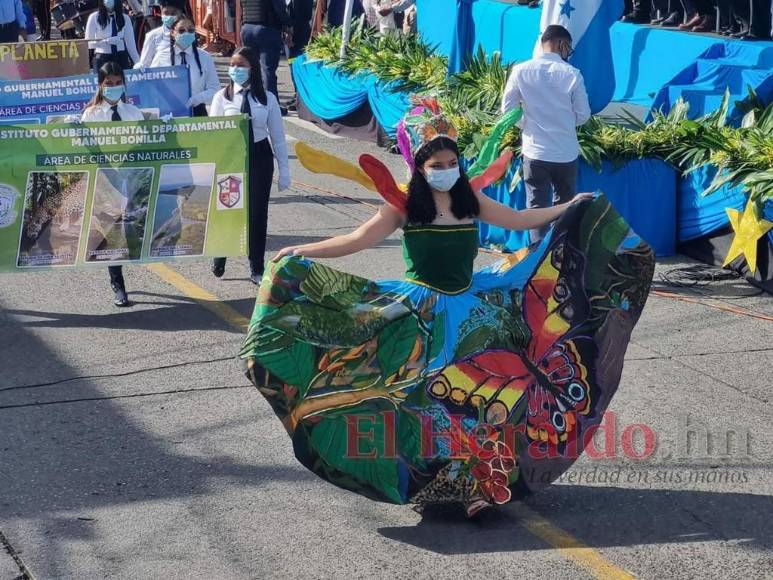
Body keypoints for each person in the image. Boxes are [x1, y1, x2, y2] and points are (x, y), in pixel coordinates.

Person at [238, 101, 655, 518]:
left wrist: (568, 207)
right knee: (426, 405)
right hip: (422, 313)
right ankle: (430, 479)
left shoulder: (469, 200)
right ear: (419, 166)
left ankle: (481, 489)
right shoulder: (403, 207)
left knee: (488, 405)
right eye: (437, 163)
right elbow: (356, 240)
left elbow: (521, 220)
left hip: (476, 311)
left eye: (452, 161)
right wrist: (301, 250)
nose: (447, 168)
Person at [501, 24, 590, 243]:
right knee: (565, 207)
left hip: (534, 151)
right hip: (565, 152)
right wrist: (565, 123)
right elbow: (583, 115)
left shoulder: (521, 70)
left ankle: (536, 259)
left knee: (536, 208)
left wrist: (527, 125)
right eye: (568, 48)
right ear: (562, 44)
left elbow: (508, 110)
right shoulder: (573, 74)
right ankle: (560, 254)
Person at [210, 46, 290, 283]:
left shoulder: (266, 98)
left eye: (241, 65)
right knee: (227, 211)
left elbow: (277, 136)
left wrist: (285, 170)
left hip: (259, 157)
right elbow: (212, 135)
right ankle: (220, 255)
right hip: (229, 158)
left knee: (257, 215)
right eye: (233, 65)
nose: (236, 69)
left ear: (252, 68)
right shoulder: (221, 97)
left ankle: (256, 265)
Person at [80, 61, 145, 307]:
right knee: (112, 232)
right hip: (106, 181)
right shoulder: (92, 115)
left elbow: (143, 147)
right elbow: (89, 151)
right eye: (109, 83)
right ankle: (118, 284)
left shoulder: (133, 113)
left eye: (118, 83)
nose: (114, 87)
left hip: (131, 180)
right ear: (100, 85)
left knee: (132, 230)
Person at [149, 16, 219, 116]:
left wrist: (195, 99)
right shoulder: (161, 56)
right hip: (168, 113)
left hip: (197, 112)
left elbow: (215, 89)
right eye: (181, 30)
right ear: (173, 33)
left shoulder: (204, 57)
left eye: (190, 30)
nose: (186, 33)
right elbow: (151, 85)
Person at [239, 0, 290, 102]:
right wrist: (290, 23)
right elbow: (280, 11)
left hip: (246, 29)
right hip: (266, 30)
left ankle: (249, 100)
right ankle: (270, 104)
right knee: (267, 71)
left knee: (250, 67)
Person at [85, 0, 141, 72]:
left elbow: (131, 45)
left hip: (120, 57)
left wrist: (138, 62)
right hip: (102, 57)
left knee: (124, 81)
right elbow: (88, 43)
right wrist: (106, 41)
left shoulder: (125, 18)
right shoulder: (94, 17)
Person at [135, 0, 182, 69]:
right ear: (161, 10)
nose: (169, 16)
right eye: (166, 13)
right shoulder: (153, 35)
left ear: (180, 13)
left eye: (173, 13)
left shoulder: (187, 34)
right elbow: (144, 64)